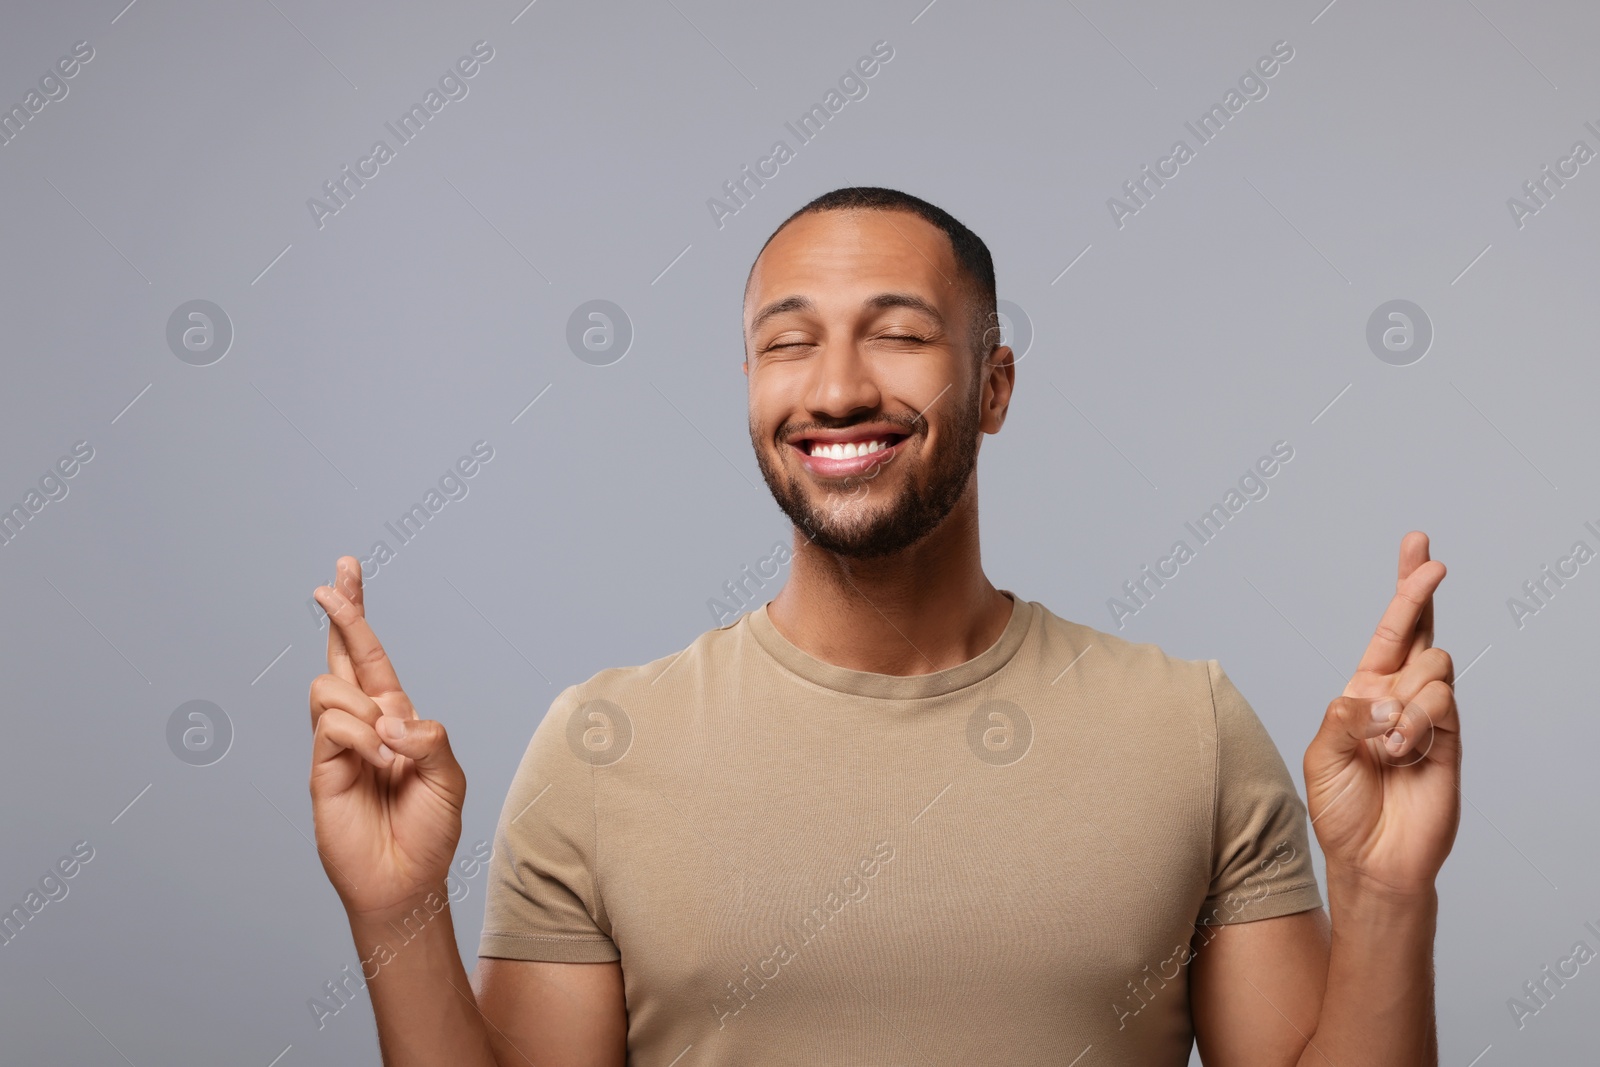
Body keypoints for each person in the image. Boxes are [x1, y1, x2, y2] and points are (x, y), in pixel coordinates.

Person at [306, 186, 1460, 1066]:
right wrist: (399, 913)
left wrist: (1386, 891)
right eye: (787, 341)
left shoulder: (1189, 727)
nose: (838, 387)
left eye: (898, 333)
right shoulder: (600, 743)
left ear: (995, 386)